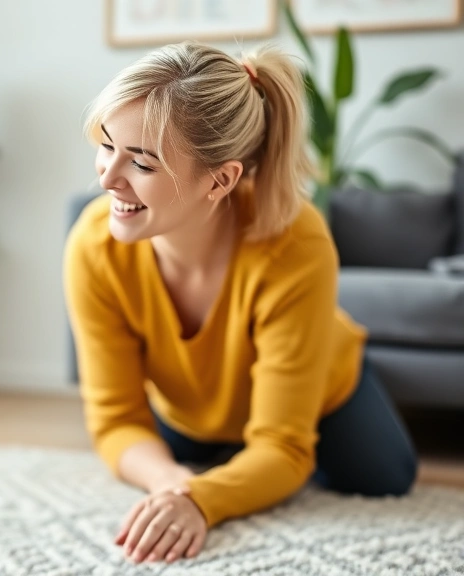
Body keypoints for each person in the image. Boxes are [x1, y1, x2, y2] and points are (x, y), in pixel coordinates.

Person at [63, 40, 418, 565]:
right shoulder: (94, 244)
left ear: (221, 179)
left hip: (321, 387)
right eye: (106, 144)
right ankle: (225, 454)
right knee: (179, 458)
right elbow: (117, 421)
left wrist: (206, 499)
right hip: (191, 407)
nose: (107, 177)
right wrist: (171, 483)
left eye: (140, 162)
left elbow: (284, 447)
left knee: (382, 477)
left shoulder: (298, 244)